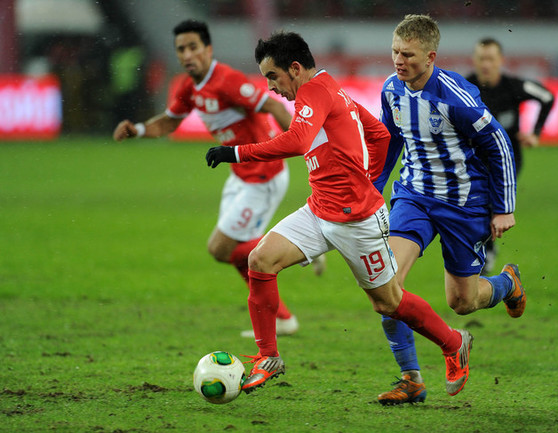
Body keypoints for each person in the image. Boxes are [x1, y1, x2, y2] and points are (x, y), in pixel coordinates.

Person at [206, 31, 474, 397]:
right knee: (260, 260)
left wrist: (236, 152)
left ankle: (453, 343)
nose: (270, 87)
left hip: (357, 221)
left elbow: (299, 140)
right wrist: (369, 179)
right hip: (319, 209)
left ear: (295, 68)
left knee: (388, 302)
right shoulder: (330, 88)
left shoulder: (314, 92)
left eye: (272, 76)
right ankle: (269, 358)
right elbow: (379, 135)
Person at [112, 19, 313, 337]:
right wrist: (136, 129)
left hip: (263, 174)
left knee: (220, 248)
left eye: (193, 47)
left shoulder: (227, 81)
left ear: (208, 49)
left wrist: (306, 143)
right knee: (232, 252)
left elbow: (274, 107)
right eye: (181, 49)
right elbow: (168, 123)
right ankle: (283, 317)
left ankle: (298, 247)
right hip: (239, 175)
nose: (187, 55)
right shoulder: (189, 88)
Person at [373, 15, 526, 406]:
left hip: (464, 205)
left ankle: (507, 283)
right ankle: (411, 378)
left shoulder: (456, 96)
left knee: (462, 302)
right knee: (386, 285)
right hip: (414, 197)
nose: (399, 60)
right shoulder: (391, 89)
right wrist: (373, 188)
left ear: (430, 57)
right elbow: (389, 140)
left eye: (408, 54)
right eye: (395, 52)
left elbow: (499, 144)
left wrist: (503, 208)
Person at [467, 37, 554, 274]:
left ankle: (486, 251)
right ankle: (486, 250)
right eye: (481, 59)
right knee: (477, 205)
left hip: (508, 160)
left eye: (490, 59)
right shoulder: (465, 87)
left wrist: (535, 133)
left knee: (490, 203)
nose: (486, 64)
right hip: (475, 159)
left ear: (500, 61)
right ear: (475, 60)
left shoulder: (513, 86)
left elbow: (547, 97)